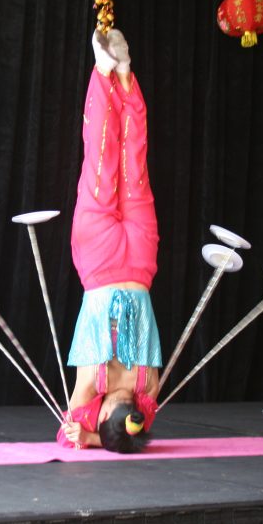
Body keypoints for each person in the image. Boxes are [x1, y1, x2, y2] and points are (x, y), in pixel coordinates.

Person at [57, 29, 162, 453]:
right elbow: (70, 436)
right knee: (101, 163)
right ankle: (104, 73)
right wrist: (90, 437)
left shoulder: (148, 390)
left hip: (139, 261)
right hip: (101, 264)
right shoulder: (90, 388)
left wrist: (109, 436)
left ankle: (124, 76)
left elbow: (137, 436)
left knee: (133, 165)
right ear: (102, 416)